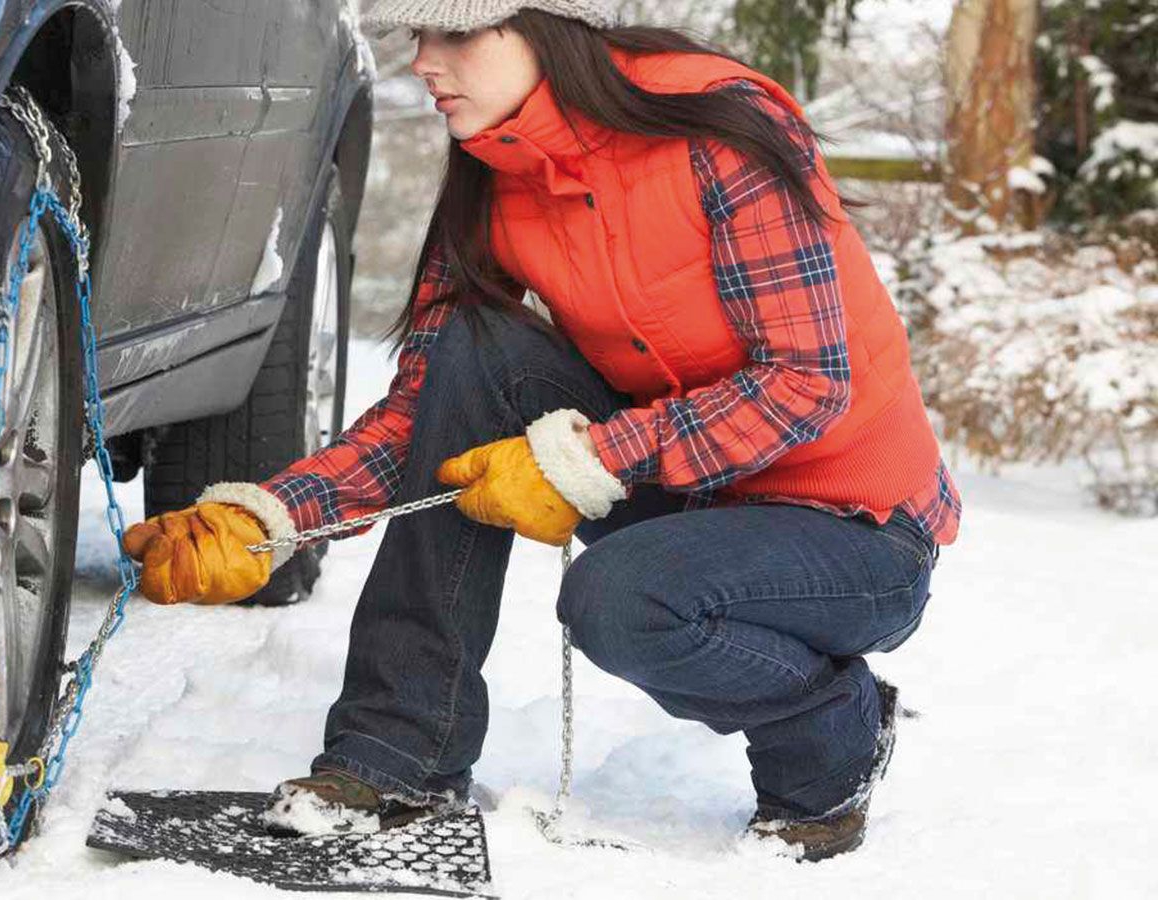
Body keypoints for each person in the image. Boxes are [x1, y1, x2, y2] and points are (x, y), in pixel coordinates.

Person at [118, 0, 961, 862]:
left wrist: (594, 455)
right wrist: (275, 517)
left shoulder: (720, 133)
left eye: (455, 34)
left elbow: (806, 382)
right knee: (474, 344)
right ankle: (400, 750)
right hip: (690, 495)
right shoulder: (495, 173)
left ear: (549, 27)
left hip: (855, 530)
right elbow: (427, 412)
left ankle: (833, 733)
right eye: (417, 37)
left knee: (620, 600)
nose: (424, 64)